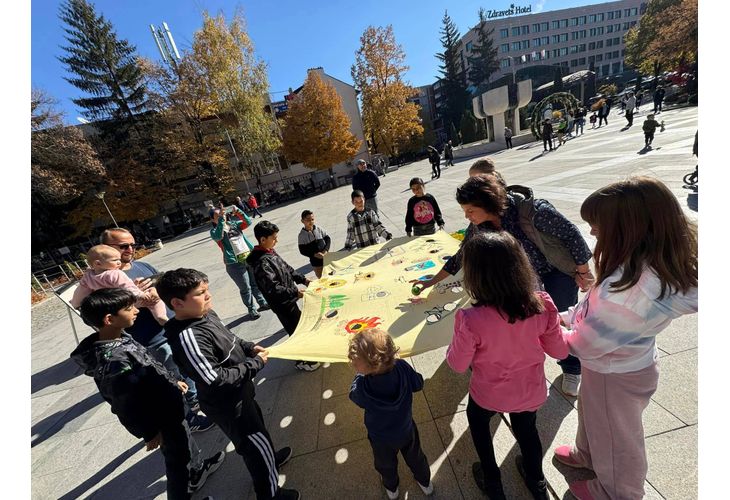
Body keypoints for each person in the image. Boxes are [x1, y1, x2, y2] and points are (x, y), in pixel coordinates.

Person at [554, 177, 697, 500]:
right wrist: (566, 316)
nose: (591, 232)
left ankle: (616, 491)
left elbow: (580, 343)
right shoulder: (637, 265)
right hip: (615, 365)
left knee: (618, 440)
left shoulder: (631, 294)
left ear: (625, 229)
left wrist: (549, 329)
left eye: (597, 225)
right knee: (592, 415)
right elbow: (592, 309)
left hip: (614, 374)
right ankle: (588, 454)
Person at [415, 174, 594, 397]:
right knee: (538, 319)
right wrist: (430, 282)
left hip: (557, 271)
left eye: (470, 210)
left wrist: (584, 271)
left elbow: (572, 235)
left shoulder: (533, 211)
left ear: (487, 204)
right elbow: (462, 254)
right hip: (528, 277)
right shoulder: (480, 225)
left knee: (562, 317)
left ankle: (571, 369)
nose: (466, 216)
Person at [157, 269, 300, 500]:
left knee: (258, 437)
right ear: (177, 303)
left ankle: (269, 458)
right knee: (253, 445)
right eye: (200, 292)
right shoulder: (188, 337)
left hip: (241, 392)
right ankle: (270, 494)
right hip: (228, 404)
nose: (208, 295)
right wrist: (255, 364)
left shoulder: (206, 314)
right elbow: (215, 379)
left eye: (207, 289)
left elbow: (231, 338)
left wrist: (249, 347)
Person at [447, 232, 569, 500]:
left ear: (475, 275)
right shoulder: (542, 304)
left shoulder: (470, 319)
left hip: (488, 394)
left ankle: (493, 481)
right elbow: (560, 350)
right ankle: (537, 482)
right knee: (528, 432)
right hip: (529, 392)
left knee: (478, 424)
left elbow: (457, 364)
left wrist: (456, 339)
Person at [71, 288, 226, 499]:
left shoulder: (121, 336)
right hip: (161, 417)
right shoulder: (114, 361)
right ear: (109, 319)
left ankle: (197, 470)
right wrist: (149, 432)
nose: (136, 311)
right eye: (128, 308)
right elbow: (124, 404)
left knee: (183, 446)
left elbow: (150, 364)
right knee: (176, 464)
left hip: (169, 406)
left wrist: (173, 382)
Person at [100, 228, 212, 433]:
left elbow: (164, 281)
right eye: (124, 246)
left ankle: (196, 403)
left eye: (133, 244)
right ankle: (188, 418)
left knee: (186, 370)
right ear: (107, 248)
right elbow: (106, 313)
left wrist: (157, 284)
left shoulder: (141, 265)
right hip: (151, 339)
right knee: (171, 380)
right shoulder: (105, 278)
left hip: (171, 327)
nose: (130, 249)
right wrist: (137, 301)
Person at [348, 328, 433, 500]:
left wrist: (358, 376)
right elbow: (418, 384)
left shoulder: (363, 386)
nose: (353, 364)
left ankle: (392, 488)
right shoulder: (401, 367)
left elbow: (354, 395)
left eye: (356, 363)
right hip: (406, 428)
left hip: (380, 437)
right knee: (416, 456)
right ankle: (425, 482)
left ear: (369, 367)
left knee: (385, 464)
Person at [247, 221, 321, 372]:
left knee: (299, 326)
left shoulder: (270, 251)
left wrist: (304, 280)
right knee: (294, 330)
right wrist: (295, 292)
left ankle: (306, 353)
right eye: (273, 238)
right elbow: (273, 289)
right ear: (262, 239)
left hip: (289, 299)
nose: (277, 240)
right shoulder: (261, 262)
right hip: (281, 303)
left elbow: (287, 268)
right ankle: (301, 360)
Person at [71, 244, 168, 325]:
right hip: (129, 300)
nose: (119, 262)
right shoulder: (115, 273)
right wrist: (141, 294)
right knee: (153, 299)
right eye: (115, 260)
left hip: (115, 305)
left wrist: (75, 303)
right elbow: (128, 287)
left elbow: (80, 293)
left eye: (119, 259)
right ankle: (161, 317)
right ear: (98, 263)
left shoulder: (88, 277)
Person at [210, 204, 269, 320]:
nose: (222, 215)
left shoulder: (234, 225)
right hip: (234, 264)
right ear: (212, 219)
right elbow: (218, 236)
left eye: (222, 213)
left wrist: (237, 211)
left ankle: (262, 302)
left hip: (248, 258)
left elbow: (247, 222)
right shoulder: (214, 231)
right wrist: (222, 220)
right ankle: (251, 309)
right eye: (217, 215)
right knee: (245, 287)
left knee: (255, 283)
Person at [297, 210, 331, 279]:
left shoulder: (318, 229)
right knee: (322, 278)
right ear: (302, 221)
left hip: (326, 259)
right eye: (308, 220)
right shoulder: (302, 235)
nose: (311, 221)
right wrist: (314, 254)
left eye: (312, 219)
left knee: (331, 276)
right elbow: (302, 250)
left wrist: (325, 251)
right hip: (316, 263)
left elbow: (328, 239)